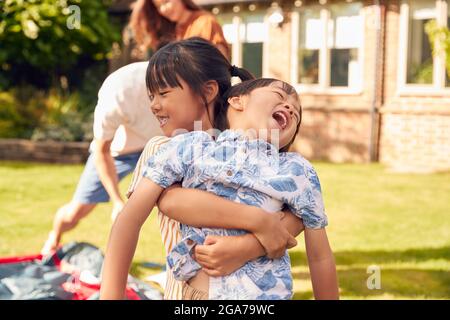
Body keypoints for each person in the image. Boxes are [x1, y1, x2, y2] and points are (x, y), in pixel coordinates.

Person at [100, 39, 338, 300]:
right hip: (187, 296)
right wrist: (257, 221)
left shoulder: (274, 160)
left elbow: (297, 219)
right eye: (152, 96)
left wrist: (245, 248)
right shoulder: (166, 147)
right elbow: (170, 202)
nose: (154, 105)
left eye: (163, 93)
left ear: (209, 90)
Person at [40, 62, 162, 255]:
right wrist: (117, 201)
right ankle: (54, 237)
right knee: (76, 212)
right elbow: (101, 151)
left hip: (160, 145)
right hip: (121, 152)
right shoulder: (116, 95)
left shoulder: (180, 79)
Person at [129, 0, 229, 58]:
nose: (164, 9)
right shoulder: (171, 32)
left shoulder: (206, 22)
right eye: (159, 6)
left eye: (166, 1)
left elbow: (222, 63)